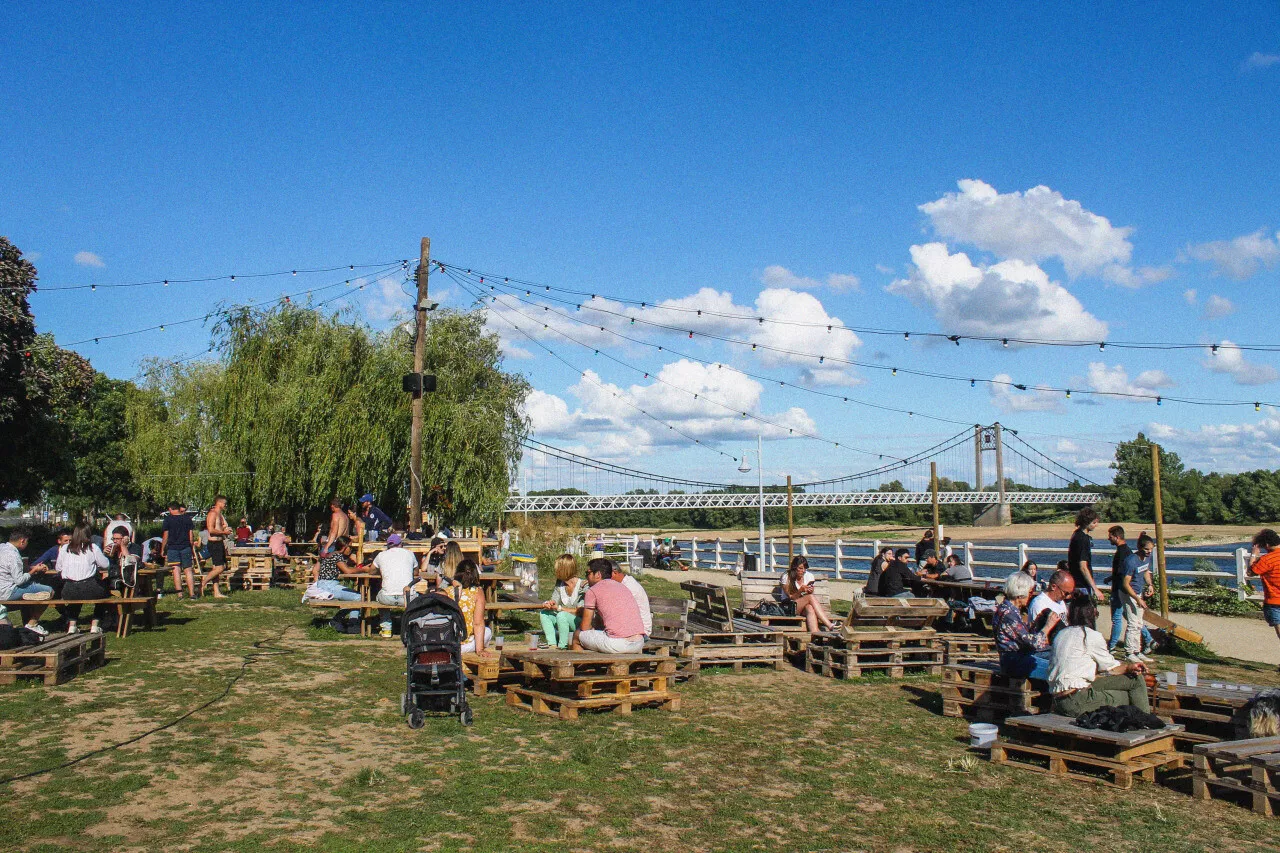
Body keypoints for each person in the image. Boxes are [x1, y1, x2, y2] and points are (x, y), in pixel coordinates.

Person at [1048, 591, 1150, 716]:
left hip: (1058, 699)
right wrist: (1129, 667)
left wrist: (1127, 668)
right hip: (1076, 701)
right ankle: (1147, 720)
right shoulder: (1090, 636)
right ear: (1092, 614)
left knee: (1124, 690)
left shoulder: (1061, 634)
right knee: (1133, 685)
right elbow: (1111, 668)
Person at [994, 571, 1059, 680]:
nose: (1031, 595)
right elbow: (1033, 643)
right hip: (1014, 662)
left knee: (1056, 653)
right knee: (1059, 669)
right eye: (1029, 592)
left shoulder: (1007, 609)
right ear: (1020, 594)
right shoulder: (1009, 614)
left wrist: (1033, 625)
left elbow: (1021, 636)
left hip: (1017, 657)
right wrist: (1048, 626)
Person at [572, 558, 646, 654]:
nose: (586, 577)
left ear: (598, 574)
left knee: (577, 635)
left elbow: (585, 627)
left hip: (617, 643)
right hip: (639, 642)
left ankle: (580, 667)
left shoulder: (592, 591)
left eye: (588, 573)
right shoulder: (623, 587)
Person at [56, 522, 111, 634]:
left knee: (75, 597)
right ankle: (95, 624)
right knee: (104, 593)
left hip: (68, 588)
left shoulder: (65, 548)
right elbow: (105, 565)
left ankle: (72, 625)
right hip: (89, 587)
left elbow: (58, 568)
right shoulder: (92, 547)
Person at [0, 528, 53, 636]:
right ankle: (32, 624)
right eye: (27, 542)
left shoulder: (2, 547)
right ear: (22, 541)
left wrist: (31, 567)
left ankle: (27, 622)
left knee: (29, 595)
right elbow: (19, 580)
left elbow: (11, 569)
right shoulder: (14, 555)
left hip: (2, 587)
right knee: (49, 592)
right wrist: (34, 570)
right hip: (8, 591)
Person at [311, 536, 365, 631]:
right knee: (358, 597)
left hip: (324, 584)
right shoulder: (337, 556)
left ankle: (343, 621)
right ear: (344, 547)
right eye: (350, 547)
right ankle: (351, 623)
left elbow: (315, 570)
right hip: (329, 586)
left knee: (353, 596)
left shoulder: (329, 554)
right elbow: (347, 571)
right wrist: (363, 569)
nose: (351, 550)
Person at [1118, 534, 1156, 663]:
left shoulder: (1147, 557)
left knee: (1139, 623)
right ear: (1139, 547)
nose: (1149, 552)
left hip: (1138, 592)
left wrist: (1150, 584)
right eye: (1146, 549)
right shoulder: (1130, 561)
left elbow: (1145, 571)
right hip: (1128, 593)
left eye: (1151, 549)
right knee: (1133, 623)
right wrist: (1137, 598)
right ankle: (1129, 652)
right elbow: (1125, 583)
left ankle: (1137, 650)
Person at [1247, 528, 1280, 672]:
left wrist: (1254, 556)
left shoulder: (1267, 559)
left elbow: (1251, 571)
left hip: (1274, 600)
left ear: (1266, 545)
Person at [371, 533, 416, 638]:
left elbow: (371, 571)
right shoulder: (410, 554)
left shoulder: (381, 555)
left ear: (388, 545)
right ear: (401, 544)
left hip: (387, 597)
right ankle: (410, 629)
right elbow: (417, 572)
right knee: (418, 598)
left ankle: (386, 628)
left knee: (378, 595)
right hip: (407, 597)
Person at [540, 553, 586, 649]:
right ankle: (552, 644)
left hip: (578, 622)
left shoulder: (582, 585)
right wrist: (550, 603)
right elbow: (554, 600)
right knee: (544, 613)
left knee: (562, 615)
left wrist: (560, 608)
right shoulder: (560, 584)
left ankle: (562, 646)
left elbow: (581, 611)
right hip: (563, 620)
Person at [785, 555, 835, 631]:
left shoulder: (809, 576)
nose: (803, 571)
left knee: (810, 608)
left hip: (802, 606)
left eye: (805, 568)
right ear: (794, 568)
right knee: (810, 597)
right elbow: (791, 597)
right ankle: (829, 625)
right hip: (789, 607)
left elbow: (807, 596)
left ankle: (815, 635)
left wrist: (810, 591)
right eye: (800, 568)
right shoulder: (786, 577)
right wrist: (800, 591)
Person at [161, 502, 199, 599]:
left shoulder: (168, 519)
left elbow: (166, 535)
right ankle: (192, 594)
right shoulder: (187, 519)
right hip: (185, 546)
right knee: (188, 570)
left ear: (171, 509)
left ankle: (180, 594)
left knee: (176, 570)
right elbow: (191, 536)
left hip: (173, 548)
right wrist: (191, 547)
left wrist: (163, 548)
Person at [452, 559, 491, 653]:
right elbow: (478, 623)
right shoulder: (477, 592)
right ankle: (478, 648)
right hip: (463, 645)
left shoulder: (447, 590)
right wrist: (480, 650)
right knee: (488, 632)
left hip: (447, 642)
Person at [1027, 569, 1074, 639]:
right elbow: (1038, 633)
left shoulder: (1060, 601)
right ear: (1053, 587)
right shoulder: (1039, 604)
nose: (1068, 596)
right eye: (1066, 593)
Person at [202, 496, 232, 598]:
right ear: (219, 503)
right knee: (220, 568)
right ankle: (203, 583)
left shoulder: (220, 514)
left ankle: (216, 592)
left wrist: (226, 529)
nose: (225, 506)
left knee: (216, 568)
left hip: (220, 543)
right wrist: (224, 532)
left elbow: (222, 526)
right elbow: (211, 530)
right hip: (214, 544)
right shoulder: (212, 514)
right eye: (224, 504)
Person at [615, 560, 653, 638]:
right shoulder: (625, 582)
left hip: (640, 633)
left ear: (615, 573)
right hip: (633, 630)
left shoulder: (628, 587)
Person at [1068, 507, 1100, 598]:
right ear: (1086, 523)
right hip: (1082, 585)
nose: (1096, 525)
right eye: (1094, 523)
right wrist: (1095, 589)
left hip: (1074, 582)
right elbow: (1083, 567)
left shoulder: (1076, 534)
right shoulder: (1083, 539)